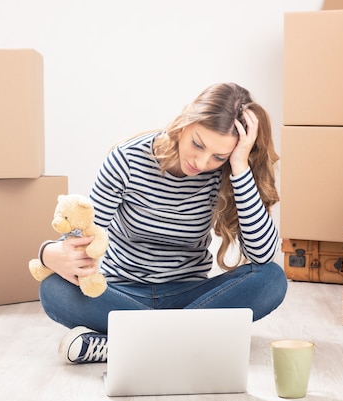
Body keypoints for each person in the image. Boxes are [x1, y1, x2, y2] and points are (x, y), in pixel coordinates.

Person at [38, 82, 288, 364]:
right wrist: (47, 253)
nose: (203, 162)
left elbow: (262, 256)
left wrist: (240, 166)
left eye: (219, 156)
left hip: (190, 297)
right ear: (184, 124)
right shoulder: (127, 160)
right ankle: (183, 340)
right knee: (53, 290)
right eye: (198, 144)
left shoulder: (226, 171)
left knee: (272, 279)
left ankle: (128, 345)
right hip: (122, 293)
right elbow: (82, 235)